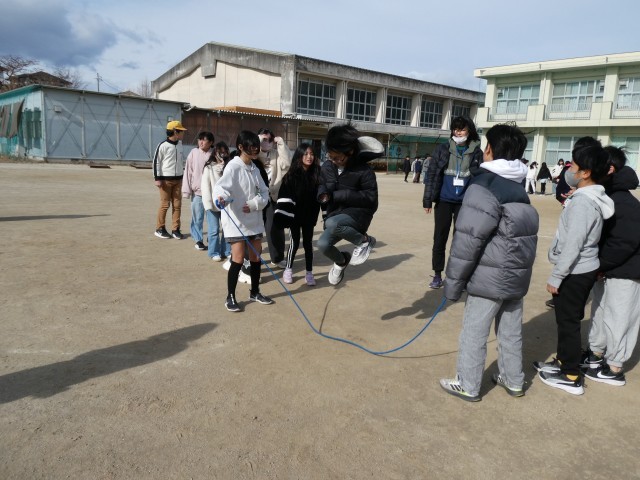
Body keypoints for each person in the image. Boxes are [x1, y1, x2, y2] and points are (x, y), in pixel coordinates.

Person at [439, 123, 538, 402]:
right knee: (510, 332)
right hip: (515, 278)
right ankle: (513, 379)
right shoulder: (519, 188)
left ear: (490, 150)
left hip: (489, 278)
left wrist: (453, 284)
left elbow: (467, 241)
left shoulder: (483, 186)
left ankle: (468, 384)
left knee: (474, 331)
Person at [534, 137, 614, 396]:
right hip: (583, 268)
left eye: (574, 166)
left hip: (576, 270)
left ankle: (570, 374)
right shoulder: (589, 197)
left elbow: (573, 244)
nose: (570, 169)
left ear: (585, 173)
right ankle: (563, 360)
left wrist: (557, 276)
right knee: (568, 318)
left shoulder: (582, 203)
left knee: (567, 321)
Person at [583, 146, 640, 386]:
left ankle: (615, 367)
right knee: (601, 312)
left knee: (620, 317)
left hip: (626, 272)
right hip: (607, 269)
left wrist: (600, 264)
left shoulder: (624, 202)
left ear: (610, 169)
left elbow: (624, 242)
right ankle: (596, 354)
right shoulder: (608, 197)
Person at [213, 130, 273, 312]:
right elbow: (221, 188)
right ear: (240, 147)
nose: (255, 149)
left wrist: (255, 204)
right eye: (251, 146)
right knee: (238, 259)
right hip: (236, 221)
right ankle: (230, 296)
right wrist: (221, 198)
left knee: (255, 257)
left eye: (257, 146)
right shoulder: (233, 167)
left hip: (254, 220)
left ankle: (255, 292)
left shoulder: (255, 168)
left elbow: (265, 192)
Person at [317, 123, 383, 286]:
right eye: (331, 157)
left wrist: (342, 195)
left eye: (338, 158)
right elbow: (321, 184)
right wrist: (322, 193)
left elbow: (371, 199)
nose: (334, 161)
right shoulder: (328, 166)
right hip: (336, 215)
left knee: (333, 223)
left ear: (350, 152)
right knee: (323, 244)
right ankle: (341, 261)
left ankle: (365, 241)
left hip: (359, 215)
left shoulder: (364, 171)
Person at [423, 116, 483, 289]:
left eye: (462, 129)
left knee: (461, 241)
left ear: (469, 131)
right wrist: (427, 200)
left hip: (464, 203)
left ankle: (458, 276)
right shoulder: (442, 149)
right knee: (439, 238)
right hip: (443, 201)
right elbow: (432, 175)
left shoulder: (477, 152)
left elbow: (480, 178)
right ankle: (437, 274)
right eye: (455, 129)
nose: (458, 132)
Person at [274, 143, 321, 286]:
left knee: (308, 243)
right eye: (305, 154)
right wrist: (283, 215)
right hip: (294, 215)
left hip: (309, 215)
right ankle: (288, 270)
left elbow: (322, 194)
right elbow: (283, 195)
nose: (309, 157)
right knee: (294, 242)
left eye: (311, 154)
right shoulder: (291, 175)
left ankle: (309, 273)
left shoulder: (317, 173)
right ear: (299, 156)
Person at [257, 128, 292, 268]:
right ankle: (252, 260)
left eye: (270, 140)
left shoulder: (276, 154)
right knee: (254, 230)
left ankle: (277, 258)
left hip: (272, 197)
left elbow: (287, 164)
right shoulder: (253, 153)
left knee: (275, 227)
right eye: (264, 139)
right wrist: (258, 140)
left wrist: (281, 144)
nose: (267, 142)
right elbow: (254, 156)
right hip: (256, 197)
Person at [153, 120, 187, 239]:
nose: (183, 133)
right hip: (165, 180)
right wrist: (157, 178)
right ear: (175, 132)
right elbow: (156, 162)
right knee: (165, 204)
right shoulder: (163, 145)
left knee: (177, 205)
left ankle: (175, 229)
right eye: (181, 131)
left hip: (178, 179)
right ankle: (160, 228)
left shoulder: (180, 144)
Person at [182, 131, 214, 250]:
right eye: (200, 139)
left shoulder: (215, 154)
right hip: (198, 192)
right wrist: (186, 191)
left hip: (212, 193)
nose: (201, 142)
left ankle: (211, 238)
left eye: (204, 140)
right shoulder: (193, 153)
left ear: (211, 142)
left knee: (212, 218)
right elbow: (188, 172)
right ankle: (198, 240)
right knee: (197, 217)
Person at [201, 141, 231, 262]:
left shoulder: (230, 167)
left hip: (226, 205)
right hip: (213, 205)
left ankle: (226, 251)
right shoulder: (209, 167)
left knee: (226, 229)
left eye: (224, 152)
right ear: (215, 153)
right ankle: (213, 252)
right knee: (213, 230)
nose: (222, 155)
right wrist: (208, 204)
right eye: (220, 152)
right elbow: (205, 187)